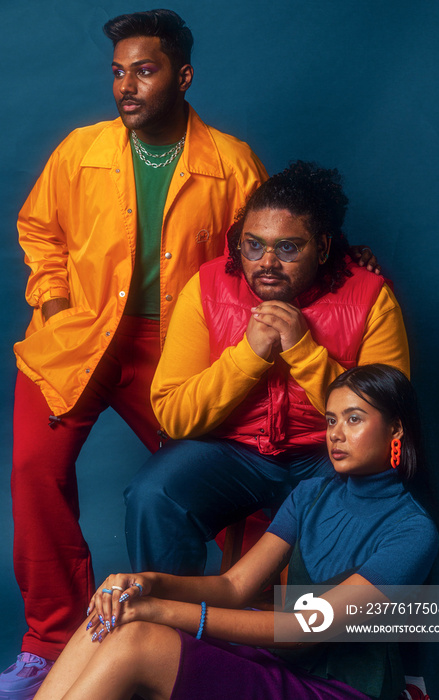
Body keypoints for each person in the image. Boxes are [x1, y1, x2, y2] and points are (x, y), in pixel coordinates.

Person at [2, 8, 272, 697]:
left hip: (177, 346)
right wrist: (56, 299)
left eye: (144, 70)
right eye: (119, 72)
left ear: (182, 76)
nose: (126, 85)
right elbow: (38, 227)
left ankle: (242, 633)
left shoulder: (231, 163)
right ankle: (50, 639)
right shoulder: (80, 149)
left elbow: (266, 248)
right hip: (81, 335)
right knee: (36, 471)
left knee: (223, 482)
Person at [33, 364, 439, 700]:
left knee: (136, 637)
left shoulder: (413, 530)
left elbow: (304, 629)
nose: (335, 433)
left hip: (342, 691)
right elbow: (234, 586)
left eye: (354, 419)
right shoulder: (312, 494)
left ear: (396, 430)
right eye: (331, 419)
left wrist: (160, 609)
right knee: (112, 615)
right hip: (280, 665)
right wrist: (147, 584)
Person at [124, 161, 410, 579]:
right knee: (153, 494)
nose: (267, 262)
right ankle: (168, 631)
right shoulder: (206, 287)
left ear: (324, 248)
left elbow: (385, 417)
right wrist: (249, 355)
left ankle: (309, 640)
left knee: (355, 511)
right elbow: (174, 415)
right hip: (234, 452)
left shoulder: (371, 298)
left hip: (326, 455)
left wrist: (304, 350)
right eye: (253, 245)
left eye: (288, 248)